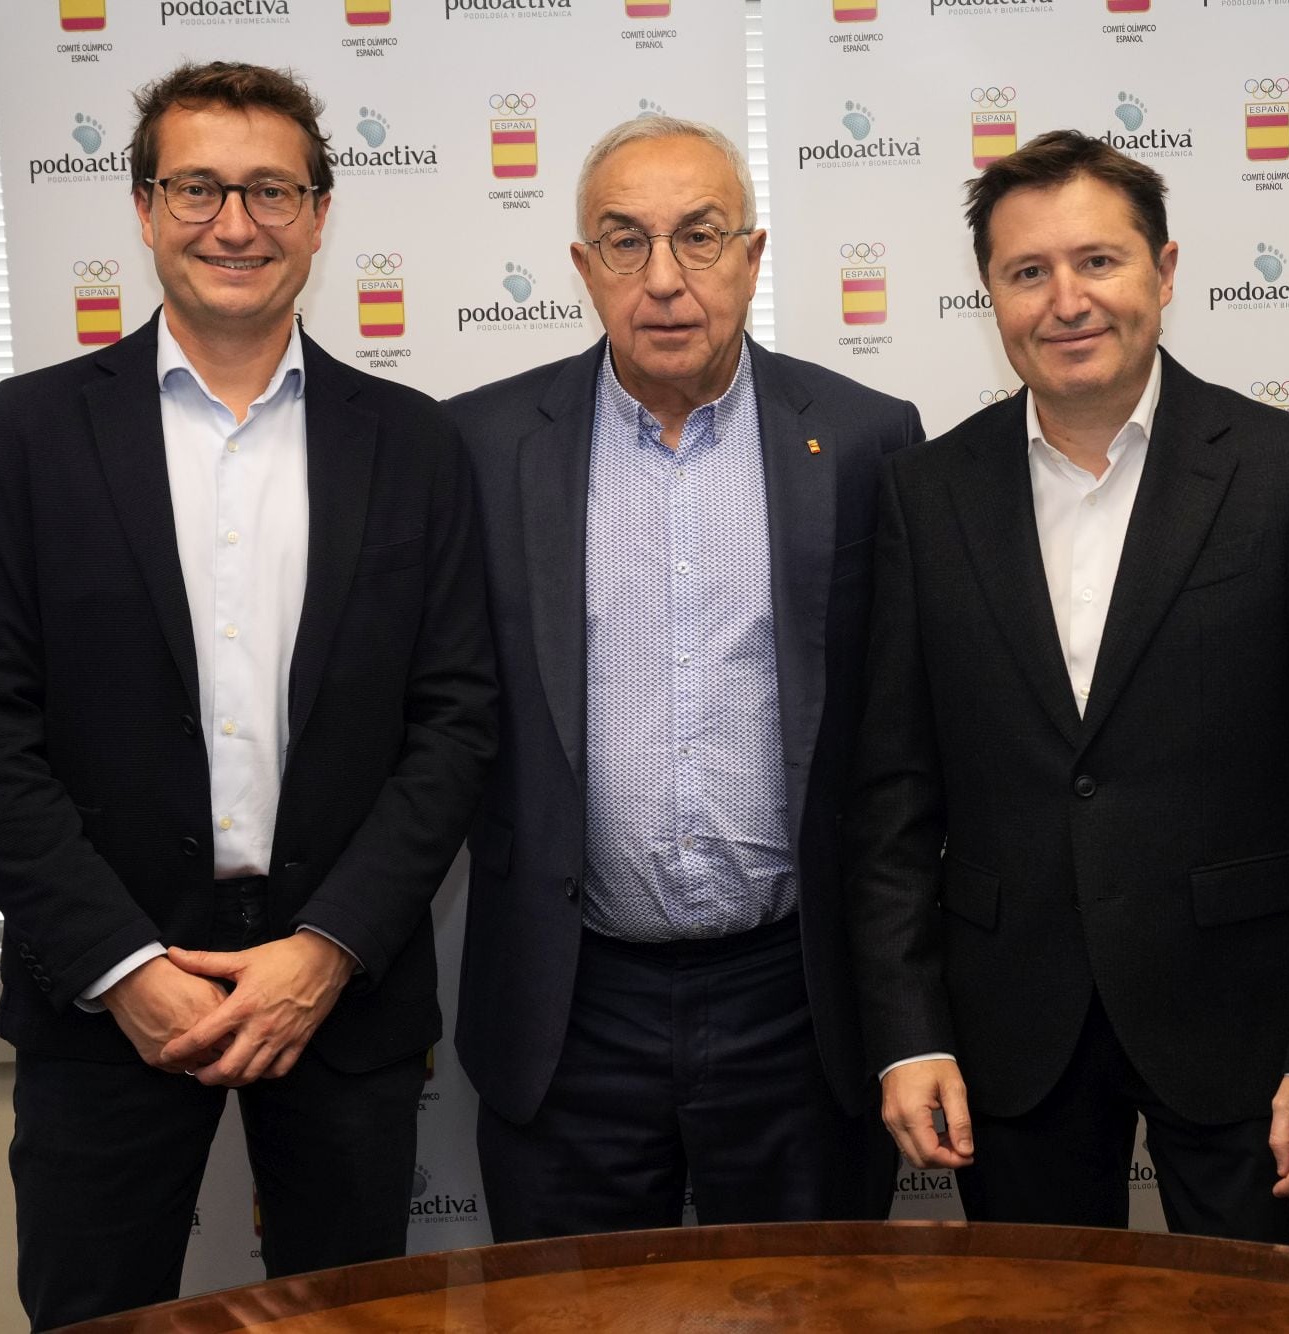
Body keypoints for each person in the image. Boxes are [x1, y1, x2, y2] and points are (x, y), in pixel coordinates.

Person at [0, 61, 494, 1329]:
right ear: (140, 207)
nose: (233, 223)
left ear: (319, 212)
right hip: (103, 996)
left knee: (355, 1320)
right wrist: (124, 964)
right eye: (197, 187)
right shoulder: (31, 434)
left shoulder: (412, 445)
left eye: (269, 190)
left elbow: (456, 726)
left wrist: (326, 948)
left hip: (337, 998)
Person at [844, 129, 1289, 1246]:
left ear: (1161, 270)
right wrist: (907, 1034)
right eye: (1026, 272)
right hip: (1010, 1031)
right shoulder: (922, 494)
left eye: (1097, 262)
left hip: (1244, 1028)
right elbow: (889, 800)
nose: (1066, 300)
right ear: (990, 296)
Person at [446, 116, 924, 1240]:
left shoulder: (863, 439)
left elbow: (903, 725)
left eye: (698, 238)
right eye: (624, 241)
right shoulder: (480, 444)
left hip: (796, 999)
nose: (663, 279)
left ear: (752, 257)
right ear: (581, 267)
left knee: (816, 1314)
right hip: (571, 1003)